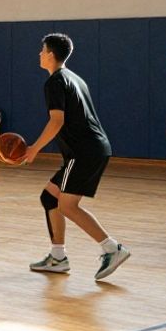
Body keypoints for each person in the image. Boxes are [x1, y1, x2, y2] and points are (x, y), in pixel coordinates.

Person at [24, 33, 131, 281]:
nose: (39, 54)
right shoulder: (75, 78)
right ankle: (58, 257)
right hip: (91, 149)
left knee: (67, 205)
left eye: (42, 50)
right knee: (49, 197)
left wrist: (34, 149)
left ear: (51, 54)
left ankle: (112, 249)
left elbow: (56, 121)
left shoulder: (54, 82)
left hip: (84, 152)